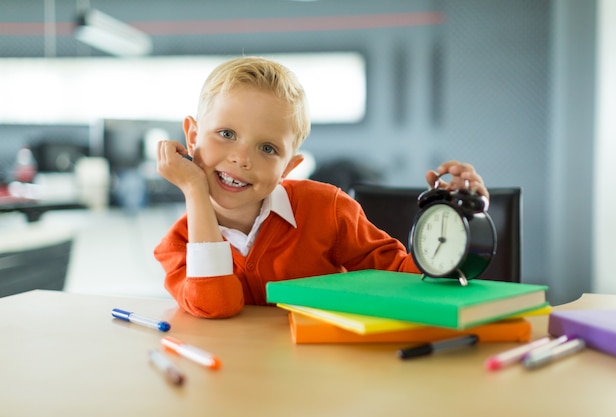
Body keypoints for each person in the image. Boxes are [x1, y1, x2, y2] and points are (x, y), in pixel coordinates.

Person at [154, 56, 489, 319]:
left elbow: (407, 278)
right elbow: (216, 304)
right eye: (226, 134)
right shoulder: (180, 245)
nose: (242, 159)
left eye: (267, 148)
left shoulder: (328, 210)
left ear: (289, 167)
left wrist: (458, 220)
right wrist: (194, 190)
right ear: (193, 136)